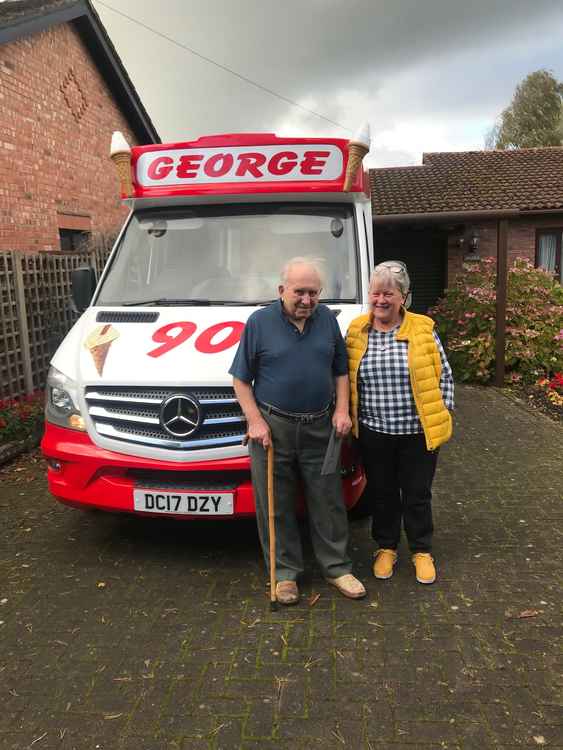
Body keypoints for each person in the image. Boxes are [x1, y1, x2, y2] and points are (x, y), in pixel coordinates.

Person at [230, 257, 366, 605]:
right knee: (274, 504)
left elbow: (339, 370)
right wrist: (254, 421)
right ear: (281, 290)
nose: (307, 300)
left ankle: (337, 567)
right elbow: (241, 380)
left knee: (329, 500)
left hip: (321, 427)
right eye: (299, 292)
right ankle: (285, 575)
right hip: (272, 431)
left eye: (313, 293)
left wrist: (340, 410)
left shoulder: (327, 322)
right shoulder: (259, 323)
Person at [346, 261, 454, 585]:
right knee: (383, 492)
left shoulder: (422, 328)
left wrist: (443, 412)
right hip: (373, 431)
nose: (381, 300)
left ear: (403, 297)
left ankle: (421, 550)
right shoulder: (356, 330)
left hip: (417, 432)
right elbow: (346, 377)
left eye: (389, 293)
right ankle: (386, 547)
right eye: (376, 293)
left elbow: (444, 375)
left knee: (417, 493)